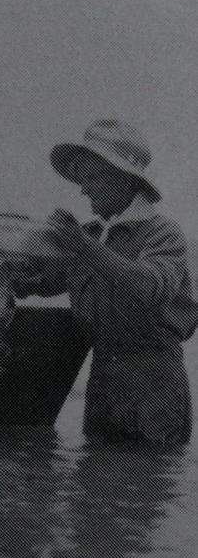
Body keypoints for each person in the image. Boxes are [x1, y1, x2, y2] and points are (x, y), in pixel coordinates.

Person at [15, 118, 198, 446]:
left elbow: (151, 287)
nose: (83, 189)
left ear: (125, 180)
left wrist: (84, 246)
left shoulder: (163, 233)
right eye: (80, 179)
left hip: (154, 380)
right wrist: (21, 278)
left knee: (149, 482)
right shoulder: (92, 234)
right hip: (101, 378)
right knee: (95, 484)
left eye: (92, 177)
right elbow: (48, 279)